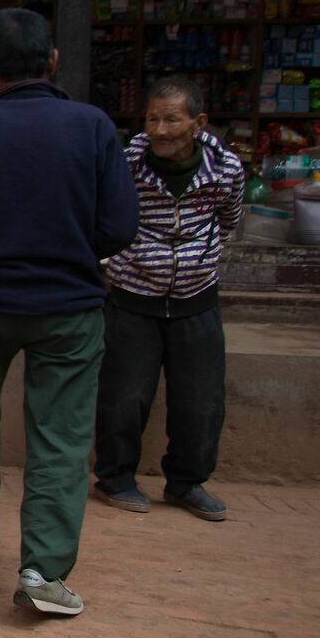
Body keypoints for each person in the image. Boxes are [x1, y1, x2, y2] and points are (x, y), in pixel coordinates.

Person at [0, 8, 138, 620]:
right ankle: (43, 571)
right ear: (53, 61)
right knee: (60, 438)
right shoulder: (93, 127)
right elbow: (120, 227)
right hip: (69, 306)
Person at [94, 75, 244, 522]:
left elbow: (229, 220)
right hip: (132, 296)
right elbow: (106, 217)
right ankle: (115, 478)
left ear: (198, 123)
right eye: (152, 119)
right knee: (123, 396)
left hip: (197, 298)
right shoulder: (126, 164)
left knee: (201, 401)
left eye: (172, 120)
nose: (160, 130)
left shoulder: (226, 169)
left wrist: (196, 258)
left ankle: (186, 483)